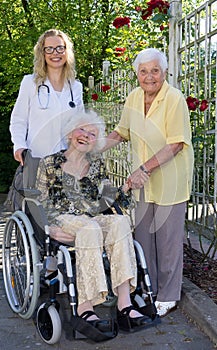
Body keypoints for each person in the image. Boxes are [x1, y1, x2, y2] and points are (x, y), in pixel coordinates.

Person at [35, 110, 152, 333]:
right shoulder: (49, 163)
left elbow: (108, 197)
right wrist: (51, 228)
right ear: (70, 133)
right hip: (63, 218)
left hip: (92, 217)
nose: (87, 136)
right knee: (89, 229)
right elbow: (40, 200)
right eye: (82, 130)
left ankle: (124, 304)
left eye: (92, 134)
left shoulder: (96, 164)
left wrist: (126, 188)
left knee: (119, 223)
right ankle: (85, 308)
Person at [104, 48, 194, 317]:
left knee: (168, 242)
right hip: (143, 182)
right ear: (137, 74)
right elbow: (121, 132)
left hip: (170, 181)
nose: (149, 76)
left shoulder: (174, 99)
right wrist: (94, 147)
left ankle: (168, 295)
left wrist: (144, 167)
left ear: (164, 72)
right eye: (143, 71)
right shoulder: (133, 98)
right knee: (144, 238)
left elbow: (176, 144)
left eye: (155, 70)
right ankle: (149, 289)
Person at [9, 28, 84, 165]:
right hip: (36, 161)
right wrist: (19, 146)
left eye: (60, 48)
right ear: (42, 54)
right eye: (49, 49)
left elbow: (80, 125)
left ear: (66, 52)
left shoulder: (76, 87)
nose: (55, 53)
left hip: (67, 163)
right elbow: (18, 120)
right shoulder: (30, 83)